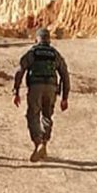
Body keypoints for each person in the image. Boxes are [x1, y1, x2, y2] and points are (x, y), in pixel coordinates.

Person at [12, 28, 70, 162]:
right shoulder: (55, 54)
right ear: (49, 40)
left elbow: (20, 70)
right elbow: (65, 76)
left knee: (33, 115)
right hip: (51, 88)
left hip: (35, 87)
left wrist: (16, 90)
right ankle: (44, 142)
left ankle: (38, 142)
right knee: (47, 115)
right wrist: (65, 97)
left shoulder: (32, 52)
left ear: (36, 39)